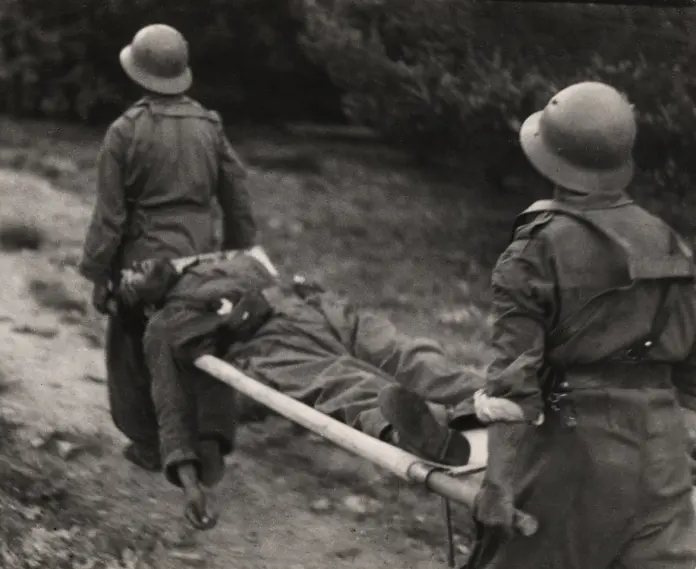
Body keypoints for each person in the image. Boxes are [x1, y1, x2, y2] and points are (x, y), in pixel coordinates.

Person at [466, 81, 696, 569]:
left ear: (547, 155)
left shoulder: (533, 251)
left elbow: (512, 389)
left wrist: (498, 485)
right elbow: (691, 380)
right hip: (663, 458)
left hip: (577, 460)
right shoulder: (670, 243)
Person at [115, 253, 486, 529]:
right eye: (128, 276)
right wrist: (190, 483)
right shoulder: (163, 329)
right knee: (344, 384)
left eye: (134, 258)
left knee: (408, 354)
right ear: (146, 304)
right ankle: (433, 441)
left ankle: (493, 397)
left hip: (316, 308)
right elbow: (171, 403)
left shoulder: (208, 262)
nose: (134, 263)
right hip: (270, 345)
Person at [77, 24, 257, 477]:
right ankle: (207, 439)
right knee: (201, 340)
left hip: (146, 260)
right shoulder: (208, 125)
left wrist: (100, 274)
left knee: (130, 346)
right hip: (200, 257)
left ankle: (148, 442)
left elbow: (110, 217)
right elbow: (237, 195)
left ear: (138, 74)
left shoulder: (125, 132)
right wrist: (236, 255)